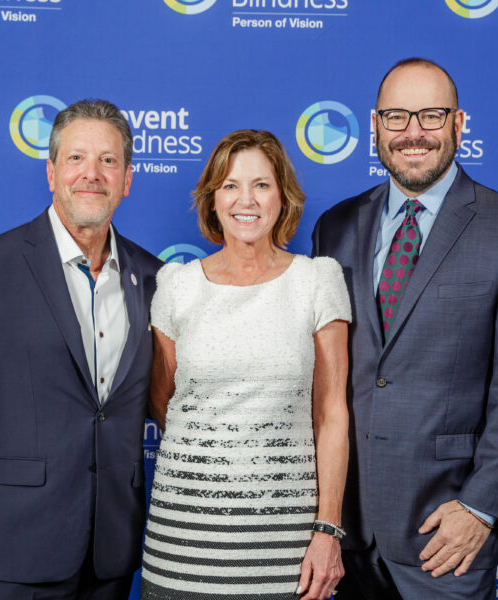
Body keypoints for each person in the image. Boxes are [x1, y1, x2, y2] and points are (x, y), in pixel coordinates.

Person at [311, 58, 498, 599]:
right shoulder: (335, 226)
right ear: (375, 125)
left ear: (459, 123)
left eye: (431, 115)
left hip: (444, 535)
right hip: (344, 531)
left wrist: (481, 507)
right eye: (396, 116)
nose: (413, 132)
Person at [0, 99, 162, 600]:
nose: (91, 174)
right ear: (51, 172)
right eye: (76, 158)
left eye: (108, 161)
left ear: (127, 179)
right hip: (17, 545)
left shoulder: (155, 276)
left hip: (113, 549)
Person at [141, 129, 351, 600]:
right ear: (213, 199)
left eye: (261, 185)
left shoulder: (317, 281)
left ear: (283, 196)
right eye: (231, 185)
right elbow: (163, 401)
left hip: (288, 547)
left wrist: (328, 529)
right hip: (182, 540)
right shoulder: (176, 285)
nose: (246, 200)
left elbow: (331, 414)